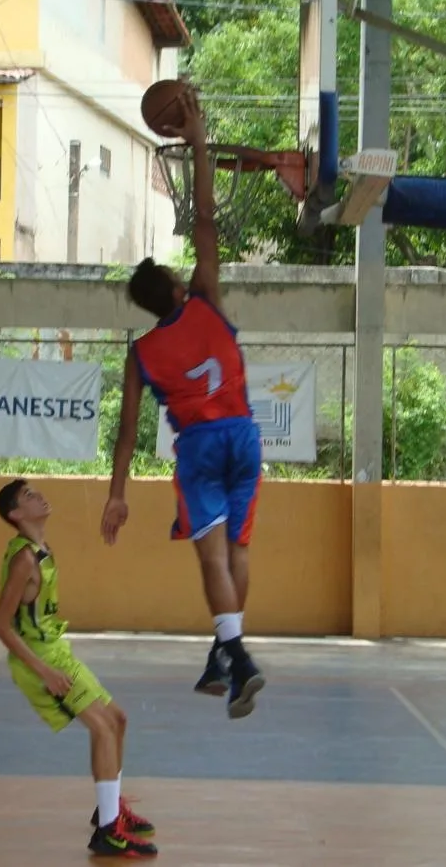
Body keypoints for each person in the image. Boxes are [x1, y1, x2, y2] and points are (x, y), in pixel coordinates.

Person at [99, 86, 265, 720]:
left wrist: (118, 493)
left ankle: (237, 654)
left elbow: (125, 435)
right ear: (171, 284)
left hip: (198, 449)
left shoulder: (140, 353)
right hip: (245, 438)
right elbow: (203, 222)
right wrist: (197, 142)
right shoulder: (205, 300)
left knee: (210, 556)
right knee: (239, 553)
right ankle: (225, 653)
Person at [0, 478, 158, 859]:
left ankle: (109, 808)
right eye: (28, 495)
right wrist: (44, 672)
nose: (39, 496)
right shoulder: (24, 560)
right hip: (40, 660)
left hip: (56, 650)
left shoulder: (41, 548)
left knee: (117, 719)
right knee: (100, 727)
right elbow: (0, 624)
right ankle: (107, 833)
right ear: (16, 514)